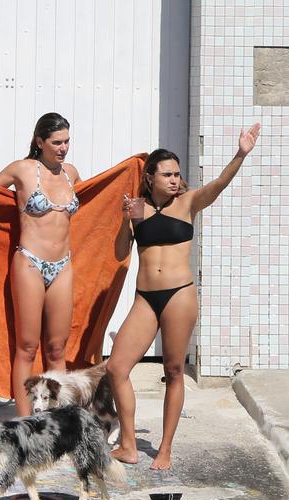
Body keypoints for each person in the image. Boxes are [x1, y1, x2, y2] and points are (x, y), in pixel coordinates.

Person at [106, 123, 260, 470]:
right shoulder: (138, 208)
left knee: (173, 370)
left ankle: (164, 449)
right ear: (150, 178)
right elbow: (119, 254)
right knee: (116, 367)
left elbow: (219, 185)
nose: (175, 180)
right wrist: (125, 221)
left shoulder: (189, 202)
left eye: (177, 174)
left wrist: (241, 153)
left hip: (179, 295)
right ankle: (129, 444)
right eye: (168, 174)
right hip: (146, 297)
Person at [0, 113, 82, 416]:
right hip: (29, 263)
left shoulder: (71, 173)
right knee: (27, 347)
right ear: (39, 141)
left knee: (57, 350)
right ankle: (24, 421)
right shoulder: (22, 170)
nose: (63, 148)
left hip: (63, 266)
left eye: (67, 141)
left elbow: (97, 197)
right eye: (56, 142)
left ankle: (58, 422)